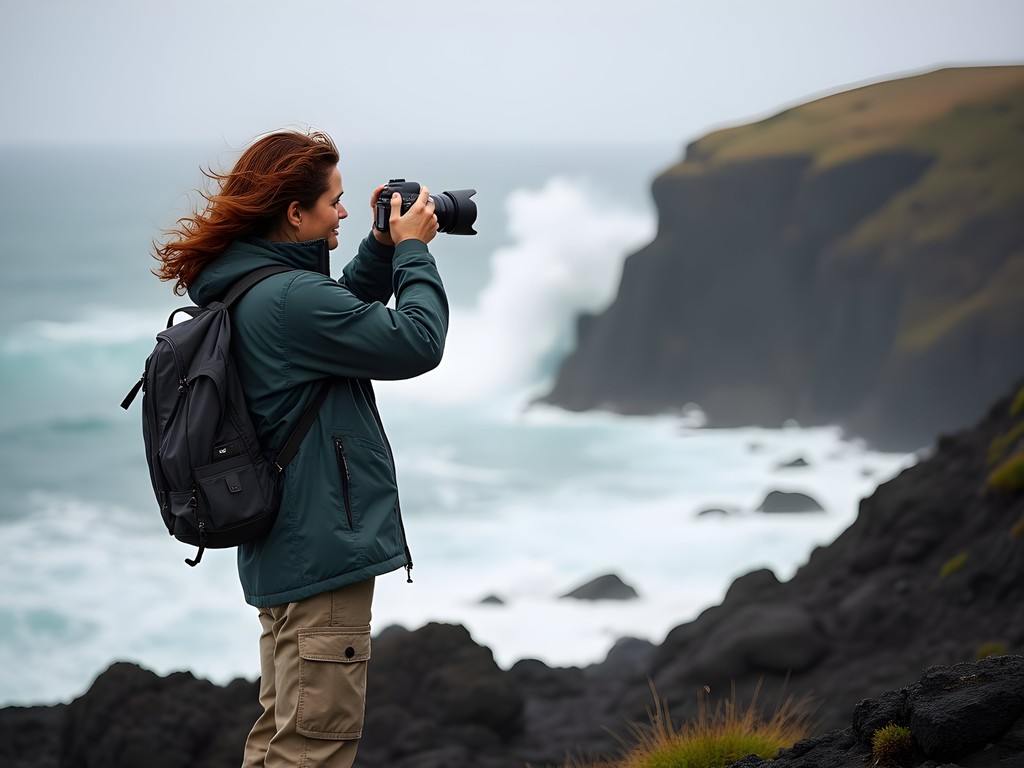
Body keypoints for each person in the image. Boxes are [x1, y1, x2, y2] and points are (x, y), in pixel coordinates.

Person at [152, 129, 449, 767]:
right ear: (295, 213)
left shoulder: (252, 288)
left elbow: (335, 315)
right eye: (335, 202)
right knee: (315, 748)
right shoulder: (291, 300)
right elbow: (418, 341)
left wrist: (375, 247)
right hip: (321, 551)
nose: (344, 212)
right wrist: (414, 253)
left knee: (280, 742)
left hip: (283, 552)